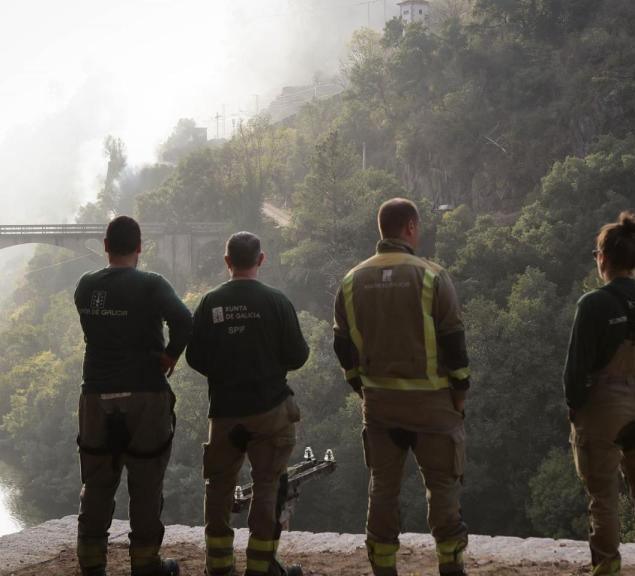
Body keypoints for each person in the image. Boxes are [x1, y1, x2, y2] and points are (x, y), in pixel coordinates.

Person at [332, 198, 471, 576]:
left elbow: (343, 348)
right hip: (432, 405)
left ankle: (383, 566)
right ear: (410, 227)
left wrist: (363, 389)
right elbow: (454, 342)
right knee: (442, 487)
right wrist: (459, 395)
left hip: (380, 405)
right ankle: (451, 564)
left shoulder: (351, 280)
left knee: (383, 487)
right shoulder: (432, 276)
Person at [563, 212, 635, 576]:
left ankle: (607, 567)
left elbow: (575, 370)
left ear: (603, 258)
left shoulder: (592, 303)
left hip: (603, 405)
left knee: (603, 496)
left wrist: (577, 411)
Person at [74, 215, 192, 576]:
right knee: (145, 482)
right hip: (145, 394)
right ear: (140, 247)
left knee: (96, 484)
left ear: (105, 245)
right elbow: (184, 320)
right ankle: (146, 565)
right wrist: (170, 354)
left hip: (96, 397)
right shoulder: (152, 285)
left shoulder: (85, 287)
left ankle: (92, 564)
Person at [186, 231, 309, 576]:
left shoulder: (211, 303)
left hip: (225, 411)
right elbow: (298, 355)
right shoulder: (277, 302)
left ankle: (219, 566)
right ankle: (260, 566)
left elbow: (195, 357)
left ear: (227, 262)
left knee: (219, 488)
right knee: (269, 484)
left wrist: (224, 372)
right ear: (261, 259)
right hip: (270, 410)